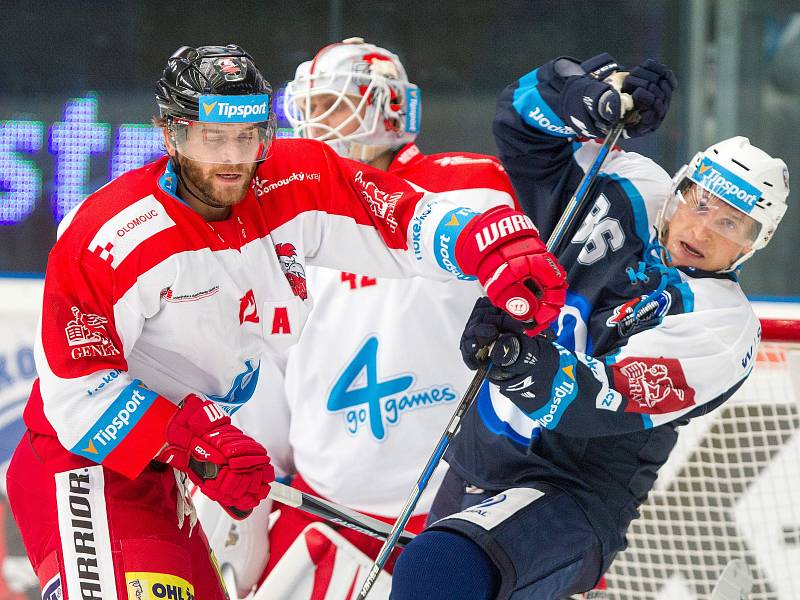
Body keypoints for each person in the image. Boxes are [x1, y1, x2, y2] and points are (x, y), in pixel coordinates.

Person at [4, 44, 568, 599]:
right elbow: (76, 393)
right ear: (171, 134)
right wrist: (199, 442)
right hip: (91, 467)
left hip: (177, 472)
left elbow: (396, 215)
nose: (232, 157)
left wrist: (488, 244)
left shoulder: (290, 179)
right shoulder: (109, 233)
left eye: (247, 134)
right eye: (212, 136)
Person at [389, 53, 789, 600]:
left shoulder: (722, 325)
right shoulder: (624, 185)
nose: (703, 228)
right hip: (478, 457)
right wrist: (592, 103)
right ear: (681, 186)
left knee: (436, 570)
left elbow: (596, 401)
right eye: (701, 202)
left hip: (569, 498)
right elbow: (518, 122)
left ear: (753, 243)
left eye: (731, 223)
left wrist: (515, 355)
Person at [192, 38, 530, 597]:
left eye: (334, 104)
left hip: (445, 523)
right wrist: (254, 473)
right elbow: (273, 361)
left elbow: (499, 238)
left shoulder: (460, 184)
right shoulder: (288, 216)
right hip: (319, 511)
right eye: (309, 109)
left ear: (390, 109)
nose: (316, 124)